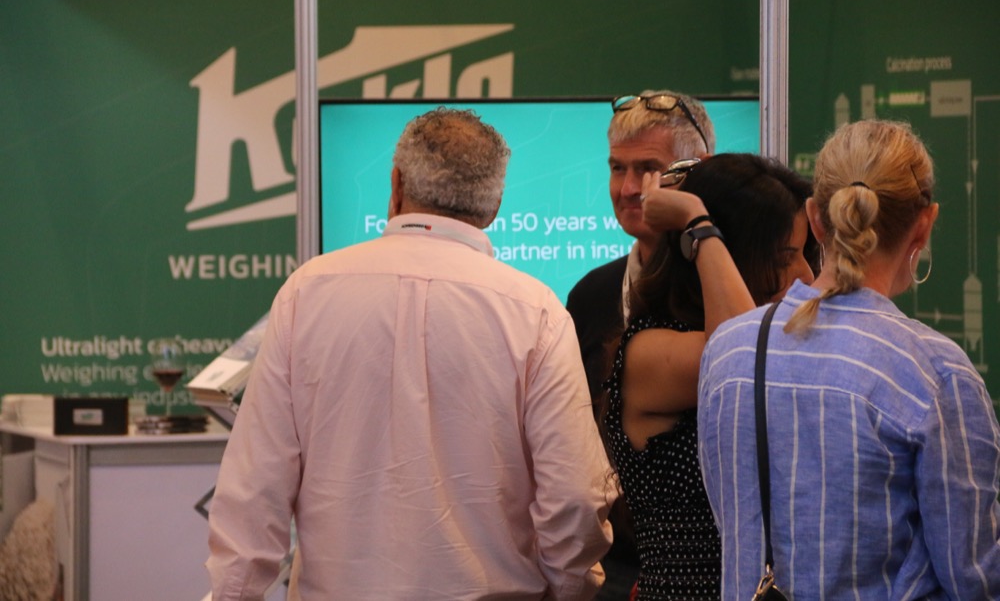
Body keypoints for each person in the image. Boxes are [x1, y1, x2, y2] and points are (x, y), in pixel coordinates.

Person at [206, 107, 615, 600]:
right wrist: (568, 590)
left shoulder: (307, 293)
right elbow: (575, 495)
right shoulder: (536, 312)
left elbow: (255, 488)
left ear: (396, 184)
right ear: (494, 207)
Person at [698, 120, 1000, 599]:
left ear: (816, 219)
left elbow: (736, 524)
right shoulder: (937, 375)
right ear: (925, 224)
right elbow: (975, 580)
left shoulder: (728, 351)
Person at [600, 153, 816, 600]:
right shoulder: (649, 349)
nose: (806, 275)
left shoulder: (761, 339)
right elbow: (738, 356)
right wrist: (697, 223)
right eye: (785, 257)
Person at [565, 90, 716, 597]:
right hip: (608, 567)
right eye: (617, 168)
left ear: (697, 172)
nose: (628, 188)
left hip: (706, 570)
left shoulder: (730, 293)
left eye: (649, 169)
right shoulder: (591, 295)